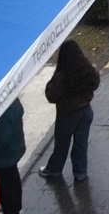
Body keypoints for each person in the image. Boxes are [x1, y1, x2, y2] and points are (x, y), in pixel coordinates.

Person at [38, 40, 99, 183]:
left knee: (62, 144)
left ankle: (54, 170)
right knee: (81, 143)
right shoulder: (87, 69)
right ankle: (80, 172)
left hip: (67, 115)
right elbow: (95, 82)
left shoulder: (62, 76)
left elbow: (51, 95)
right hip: (86, 111)